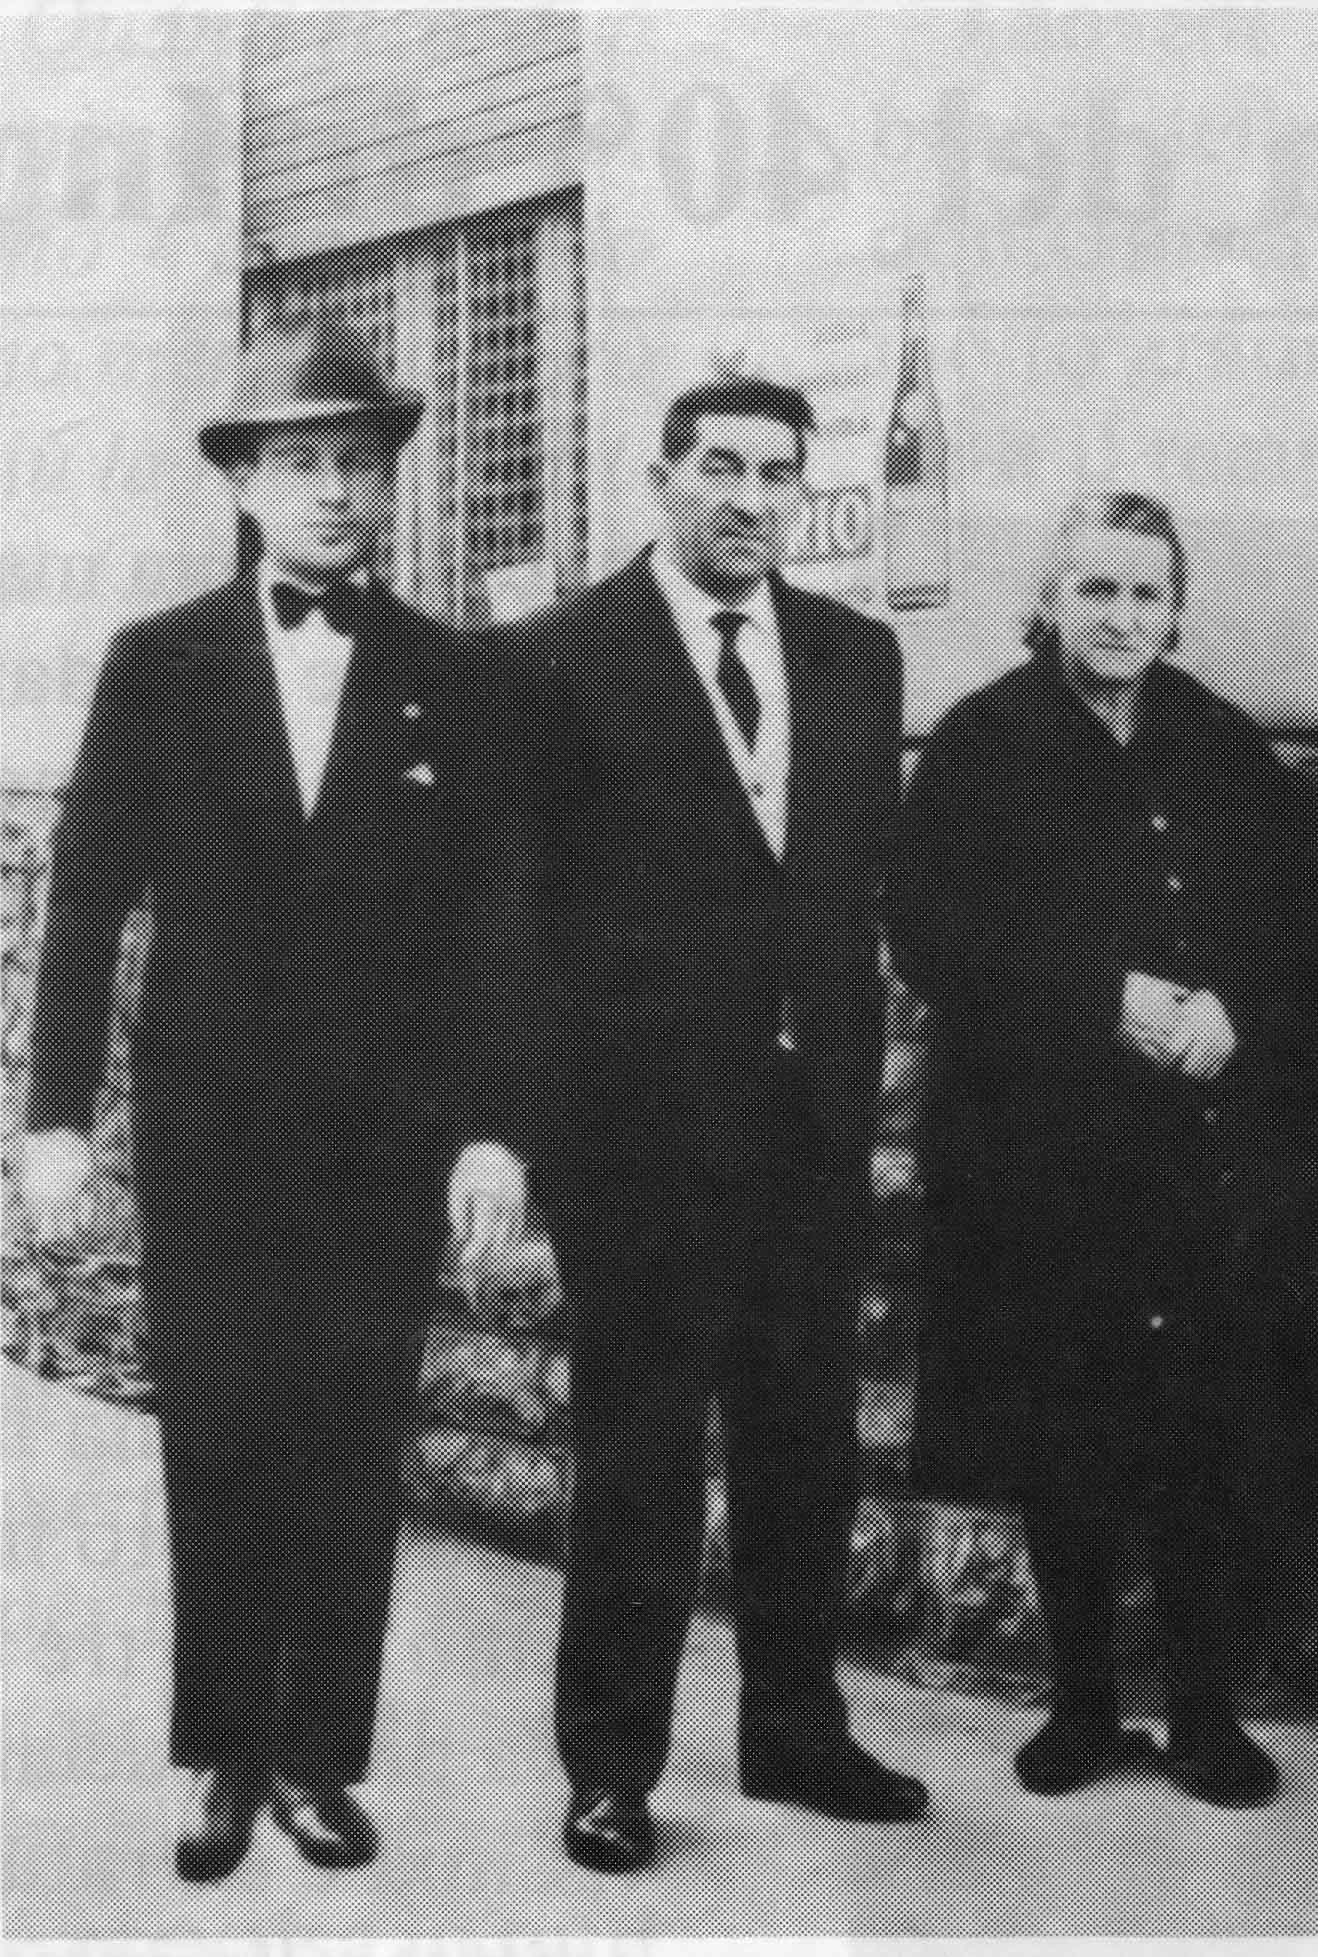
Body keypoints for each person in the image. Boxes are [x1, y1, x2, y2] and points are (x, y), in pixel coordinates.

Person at [19, 317, 533, 1880]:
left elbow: (494, 927)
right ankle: (224, 1753)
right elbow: (85, 896)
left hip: (383, 1142)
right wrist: (54, 1120)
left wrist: (491, 1128)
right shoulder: (159, 663)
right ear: (244, 483)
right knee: (223, 1435)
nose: (333, 490)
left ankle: (318, 1757)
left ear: (389, 483)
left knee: (351, 1440)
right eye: (300, 460)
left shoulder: (452, 677)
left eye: (359, 461)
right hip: (211, 1137)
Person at [501, 375, 919, 1872]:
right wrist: (515, 1126)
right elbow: (511, 918)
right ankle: (612, 1762)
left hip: (808, 1129)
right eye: (723, 466)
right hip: (637, 1145)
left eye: (778, 472)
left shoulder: (855, 657)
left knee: (806, 1441)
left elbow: (861, 881)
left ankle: (795, 1729)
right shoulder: (557, 660)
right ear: (663, 477)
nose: (751, 497)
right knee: (641, 1454)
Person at [890, 489, 1318, 1810]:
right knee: (1064, 1441)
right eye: (1096, 589)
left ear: (1175, 610)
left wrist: (1236, 1008)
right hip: (1042, 1163)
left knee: (1199, 1442)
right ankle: (1080, 1706)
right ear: (1049, 601)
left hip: (1196, 1160)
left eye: (1145, 593)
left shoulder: (1220, 742)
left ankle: (1203, 1715)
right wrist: (1102, 998)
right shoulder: (980, 744)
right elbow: (931, 934)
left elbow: (1301, 918)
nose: (1121, 616)